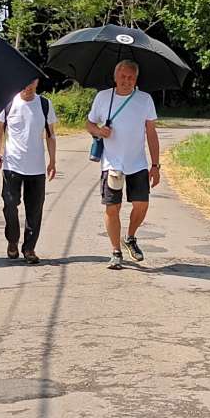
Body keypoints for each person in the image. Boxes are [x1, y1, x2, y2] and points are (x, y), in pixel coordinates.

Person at [84, 59, 159, 269]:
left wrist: (155, 165)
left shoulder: (145, 99)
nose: (127, 81)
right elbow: (89, 123)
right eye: (123, 77)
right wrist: (99, 131)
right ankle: (115, 251)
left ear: (136, 79)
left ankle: (130, 237)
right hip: (112, 163)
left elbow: (151, 133)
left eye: (131, 78)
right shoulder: (103, 97)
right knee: (112, 208)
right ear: (115, 77)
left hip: (137, 162)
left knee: (141, 205)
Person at [0, 78, 57, 263]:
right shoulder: (8, 102)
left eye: (32, 83)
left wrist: (52, 161)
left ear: (37, 82)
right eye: (25, 83)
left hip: (36, 167)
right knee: (10, 205)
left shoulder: (44, 104)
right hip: (12, 165)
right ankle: (12, 240)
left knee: (35, 210)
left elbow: (51, 135)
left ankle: (29, 248)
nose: (28, 87)